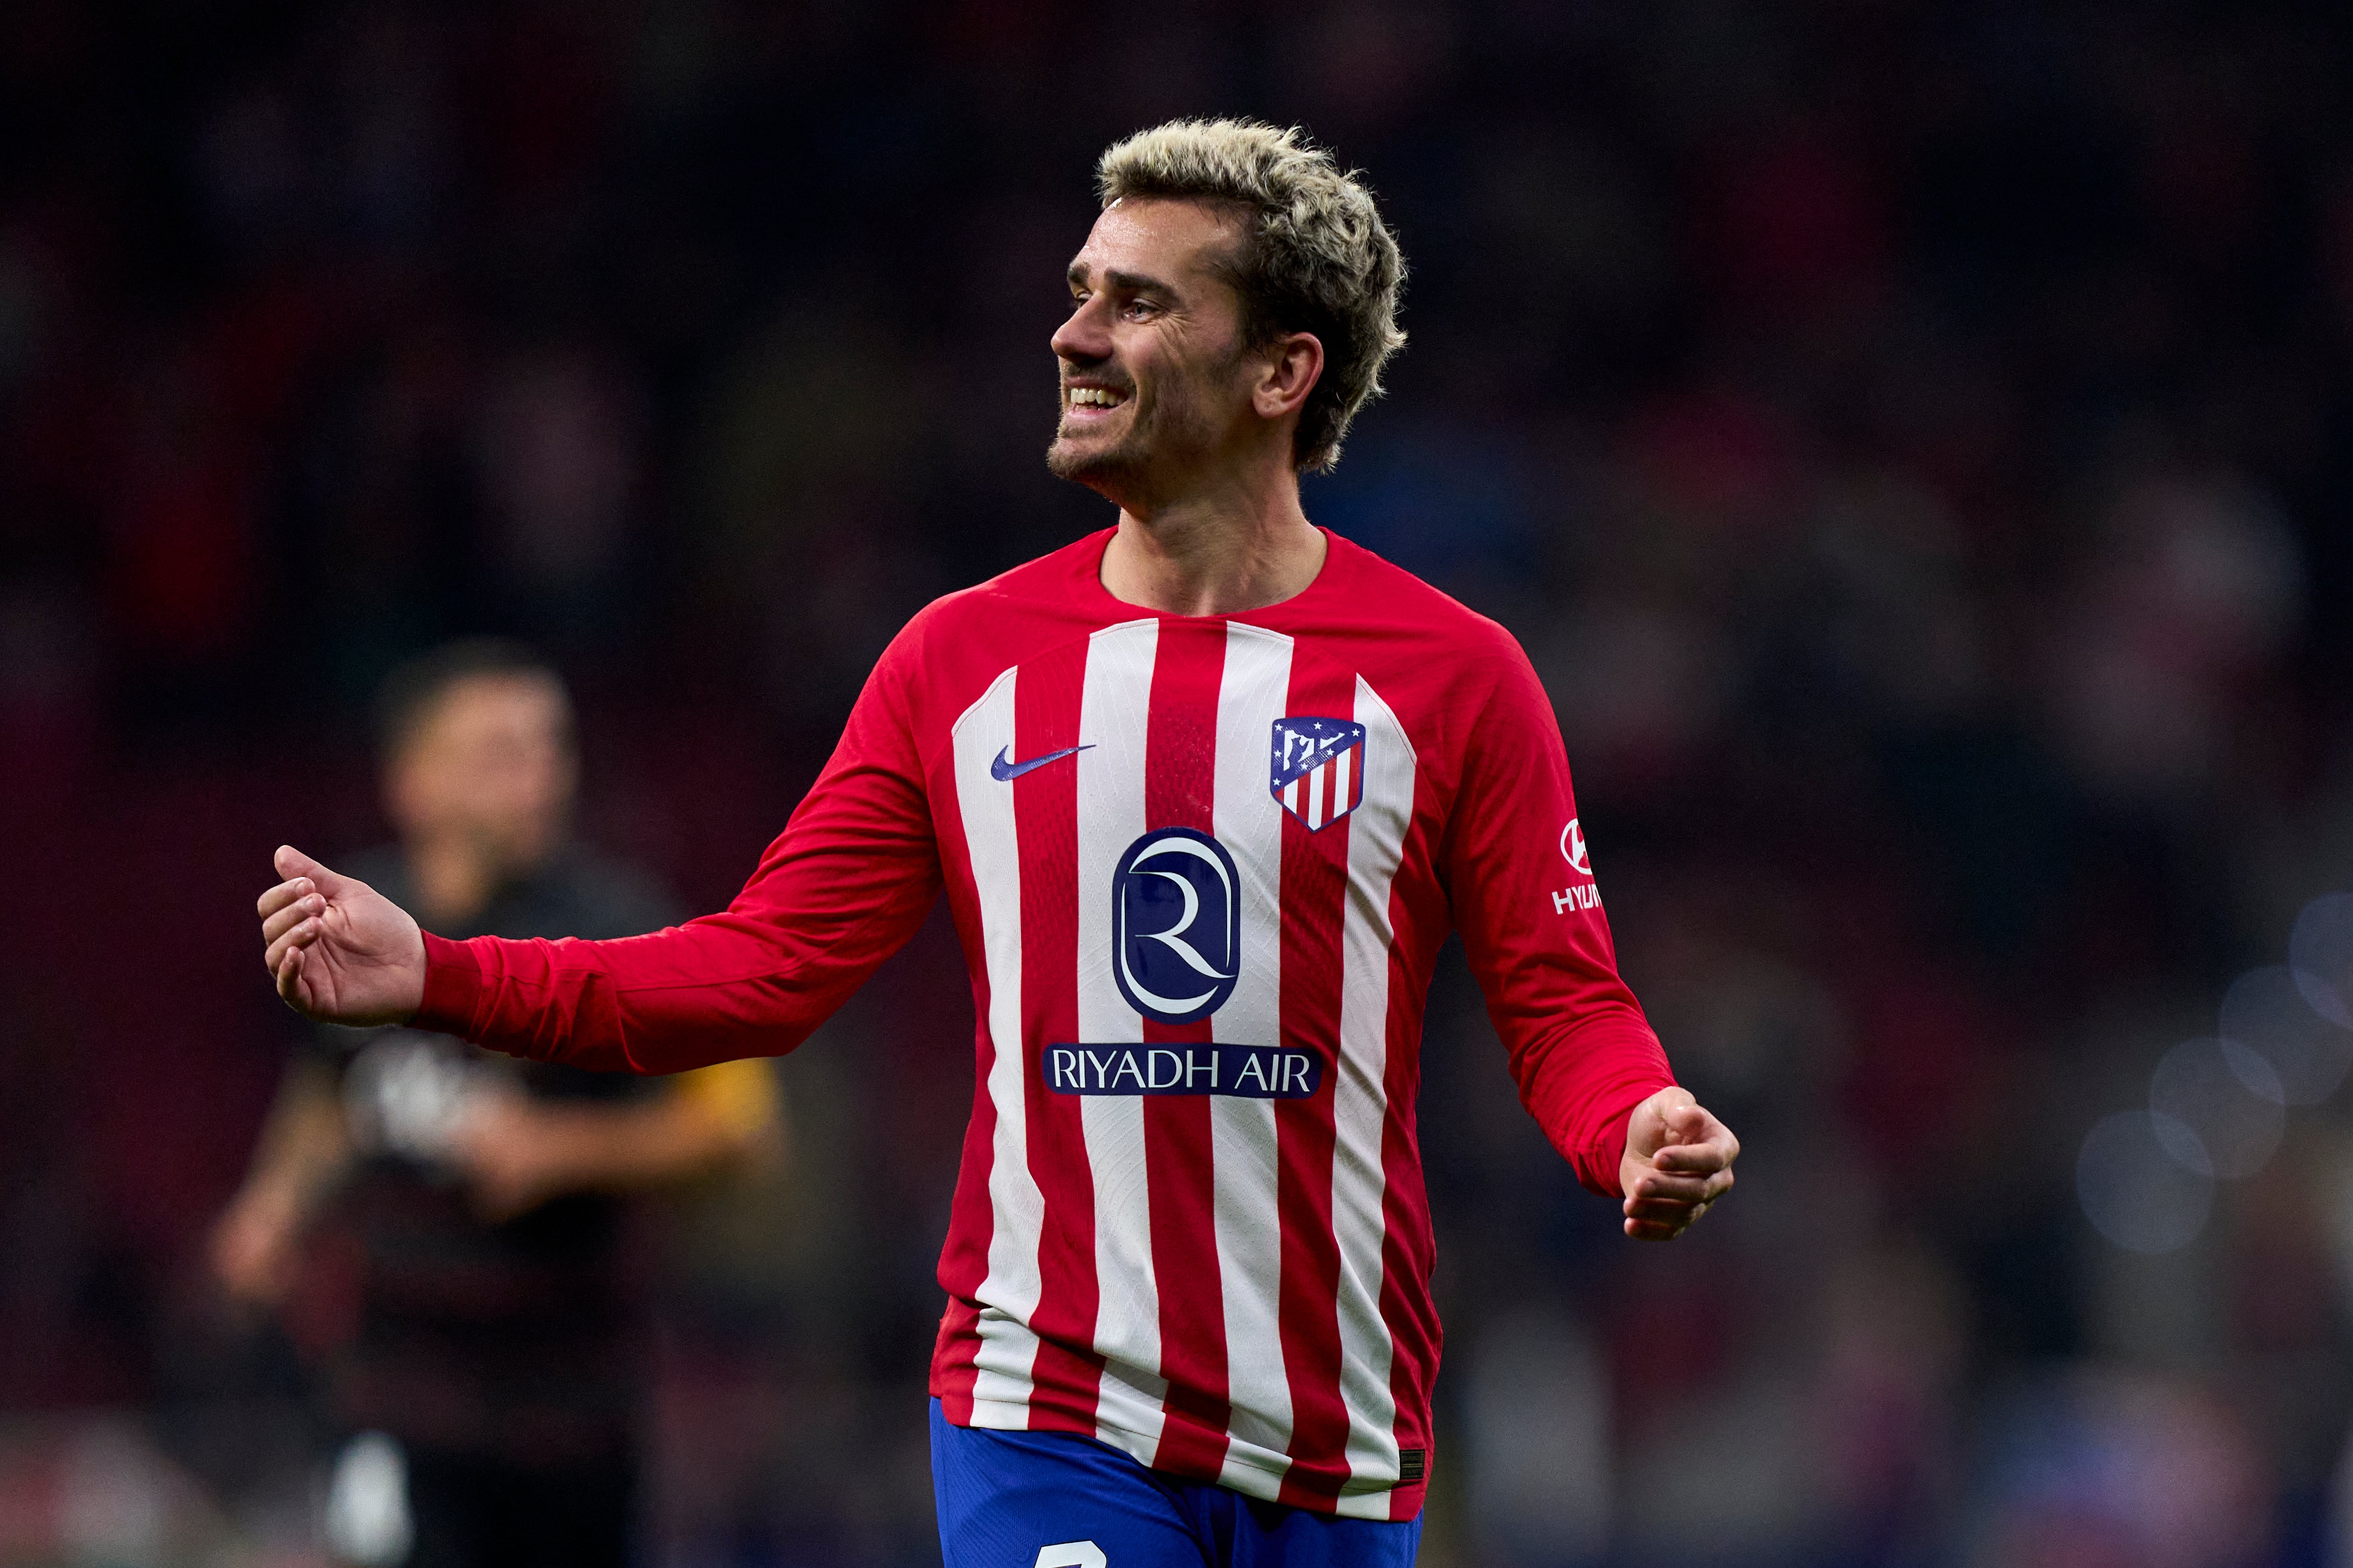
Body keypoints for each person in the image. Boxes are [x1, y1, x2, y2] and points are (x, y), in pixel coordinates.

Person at [254, 120, 1738, 1567]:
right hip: (1048, 1403)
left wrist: (1633, 1119)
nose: (1074, 333)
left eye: (1137, 301)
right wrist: (439, 972)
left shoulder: (1451, 674)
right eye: (1080, 289)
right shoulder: (960, 665)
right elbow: (753, 972)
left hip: (1336, 1429)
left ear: (1284, 370)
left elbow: (1564, 1002)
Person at [216, 640, 778, 1567]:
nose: (541, 778)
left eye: (551, 748)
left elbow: (744, 1129)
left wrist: (560, 1149)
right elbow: (329, 1086)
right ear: (414, 782)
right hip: (397, 1398)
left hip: (571, 1421)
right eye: (500, 754)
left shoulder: (620, 922)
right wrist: (274, 1206)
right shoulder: (355, 916)